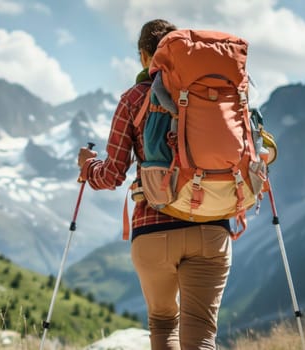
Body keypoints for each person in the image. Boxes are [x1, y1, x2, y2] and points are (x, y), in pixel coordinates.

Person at [77, 19, 232, 350]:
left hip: (153, 229)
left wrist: (88, 166)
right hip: (211, 227)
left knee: (163, 325)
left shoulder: (134, 98)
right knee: (202, 334)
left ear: (144, 56)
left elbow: (111, 175)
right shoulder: (214, 93)